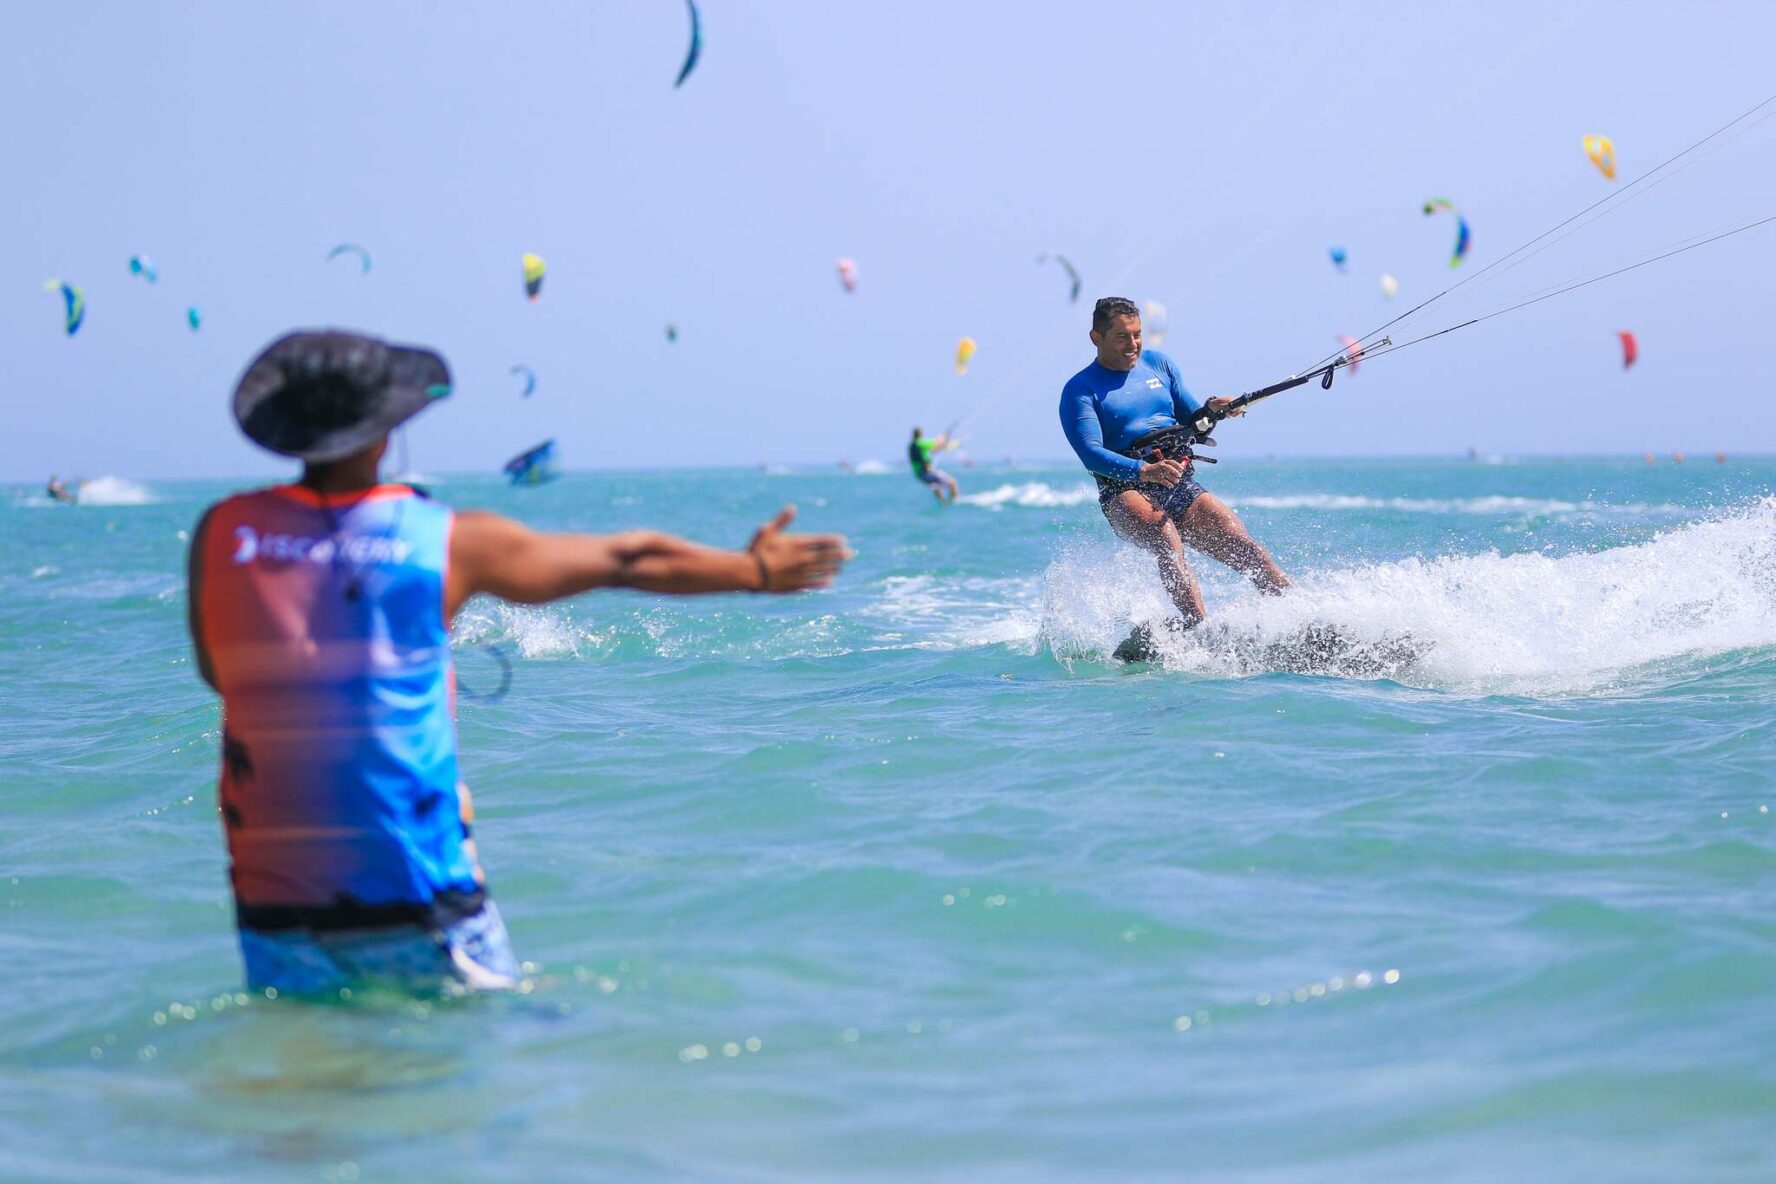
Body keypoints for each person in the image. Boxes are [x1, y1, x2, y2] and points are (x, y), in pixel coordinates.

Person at [186, 330, 850, 997]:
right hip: (415, 891)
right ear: (385, 431)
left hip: (272, 902)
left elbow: (225, 675)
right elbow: (625, 558)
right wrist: (754, 570)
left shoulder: (221, 533)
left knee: (311, 1085)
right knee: (478, 1072)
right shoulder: (442, 538)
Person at [1059, 296, 1289, 627]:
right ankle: (1199, 629)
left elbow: (1192, 417)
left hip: (1175, 478)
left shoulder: (1159, 365)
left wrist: (1214, 409)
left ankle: (1302, 618)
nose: (1133, 344)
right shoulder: (1080, 390)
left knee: (1241, 542)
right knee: (1166, 540)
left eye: (1137, 334)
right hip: (1124, 489)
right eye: (1122, 337)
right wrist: (1143, 470)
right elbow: (1090, 454)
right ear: (1097, 338)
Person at [908, 426, 960, 503]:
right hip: (927, 473)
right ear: (921, 434)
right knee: (952, 482)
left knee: (936, 486)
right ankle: (954, 501)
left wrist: (943, 445)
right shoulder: (921, 442)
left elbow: (933, 449)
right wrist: (944, 437)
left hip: (919, 474)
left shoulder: (912, 446)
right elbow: (936, 442)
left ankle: (944, 503)